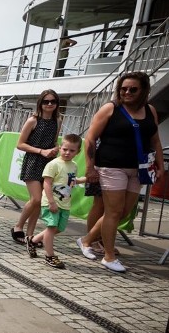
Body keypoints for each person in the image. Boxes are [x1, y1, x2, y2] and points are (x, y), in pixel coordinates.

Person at [77, 72, 164, 272]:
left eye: (133, 89)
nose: (127, 92)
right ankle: (108, 256)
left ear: (144, 90)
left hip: (139, 169)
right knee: (113, 212)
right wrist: (90, 167)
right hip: (111, 167)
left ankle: (86, 240)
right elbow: (90, 139)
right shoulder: (110, 109)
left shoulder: (150, 110)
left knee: (123, 212)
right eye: (123, 88)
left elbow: (155, 140)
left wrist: (160, 165)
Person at [27, 134, 87, 269]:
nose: (67, 153)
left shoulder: (74, 165)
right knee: (51, 227)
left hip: (65, 203)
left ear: (78, 152)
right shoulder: (53, 164)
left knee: (59, 228)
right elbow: (47, 184)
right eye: (65, 149)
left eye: (72, 150)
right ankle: (50, 255)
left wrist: (85, 179)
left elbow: (71, 181)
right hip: (51, 202)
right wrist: (51, 202)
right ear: (60, 147)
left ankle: (33, 241)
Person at [11, 90, 61, 245]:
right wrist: (41, 151)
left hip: (48, 163)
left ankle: (30, 235)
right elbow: (20, 144)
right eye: (46, 101)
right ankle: (18, 227)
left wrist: (54, 149)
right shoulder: (33, 120)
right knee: (36, 198)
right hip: (33, 161)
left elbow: (53, 141)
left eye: (53, 101)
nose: (50, 104)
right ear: (40, 103)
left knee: (40, 202)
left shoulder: (58, 120)